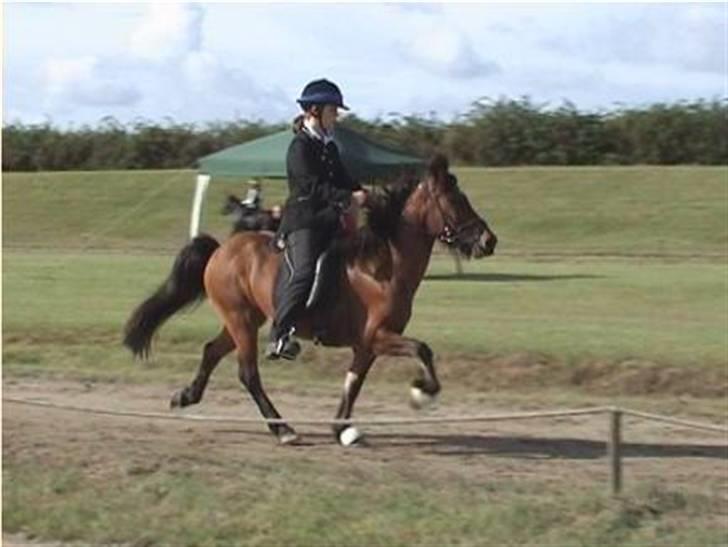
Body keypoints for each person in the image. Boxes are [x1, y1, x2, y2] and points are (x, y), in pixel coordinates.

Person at [266, 78, 368, 360]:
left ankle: (327, 322)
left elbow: (343, 178)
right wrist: (347, 198)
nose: (336, 116)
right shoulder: (299, 148)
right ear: (314, 111)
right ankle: (279, 335)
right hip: (304, 221)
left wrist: (362, 191)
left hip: (329, 220)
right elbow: (312, 187)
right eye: (332, 111)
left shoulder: (329, 146)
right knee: (305, 272)